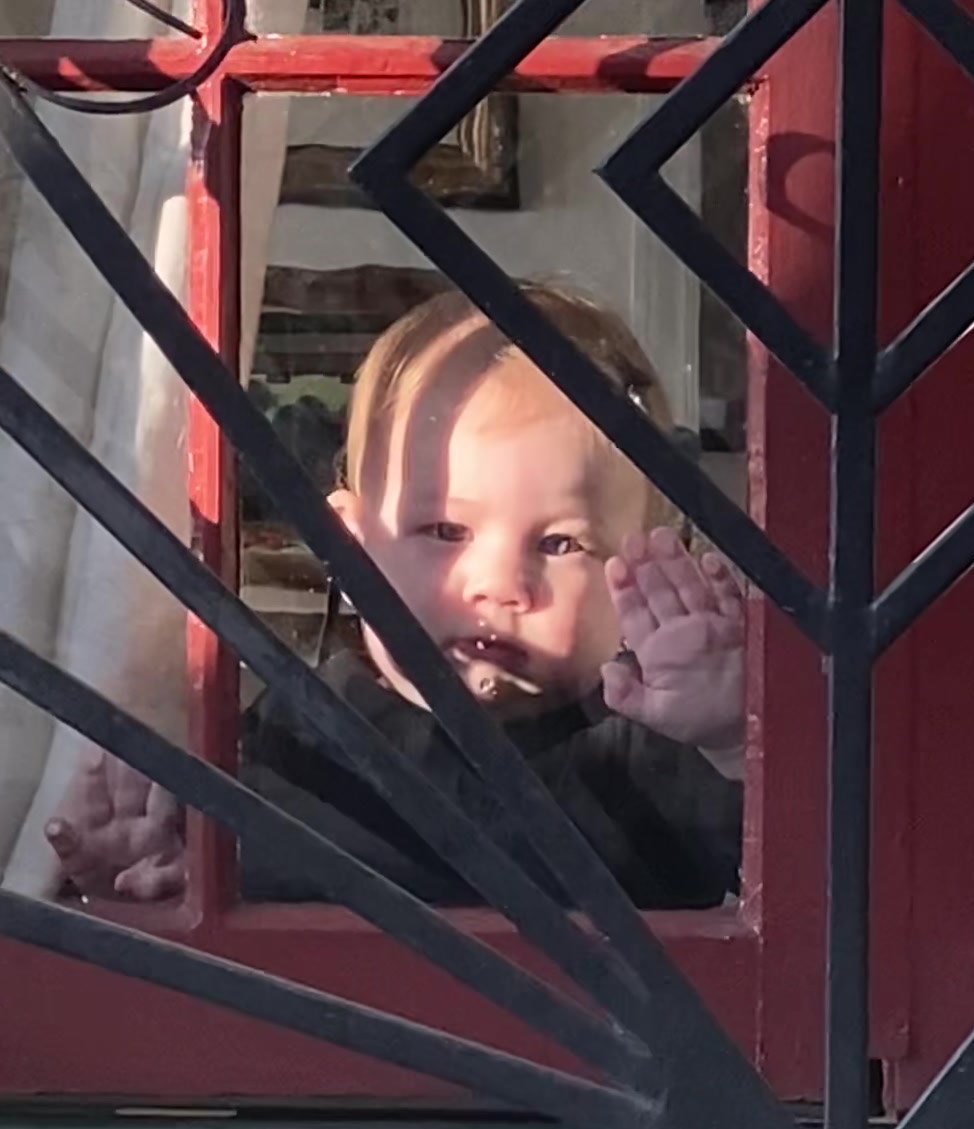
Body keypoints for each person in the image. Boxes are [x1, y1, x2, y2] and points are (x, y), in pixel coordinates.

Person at [44, 282, 747, 910]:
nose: (500, 585)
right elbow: (211, 940)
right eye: (446, 531)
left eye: (561, 544)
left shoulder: (663, 752)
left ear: (648, 564)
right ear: (353, 547)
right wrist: (148, 878)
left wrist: (730, 728)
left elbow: (780, 869)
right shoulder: (291, 742)